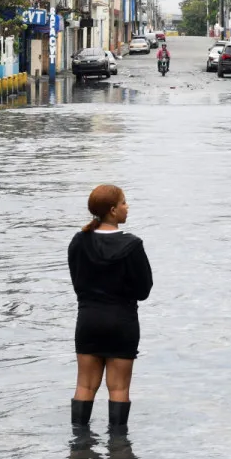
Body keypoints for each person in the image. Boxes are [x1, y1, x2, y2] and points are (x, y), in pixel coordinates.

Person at [68, 184, 153, 433]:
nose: (128, 207)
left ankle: (79, 451)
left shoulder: (78, 241)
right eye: (124, 203)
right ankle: (118, 455)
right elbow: (144, 290)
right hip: (121, 321)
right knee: (118, 389)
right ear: (113, 210)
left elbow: (78, 282)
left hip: (88, 320)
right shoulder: (133, 245)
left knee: (84, 386)